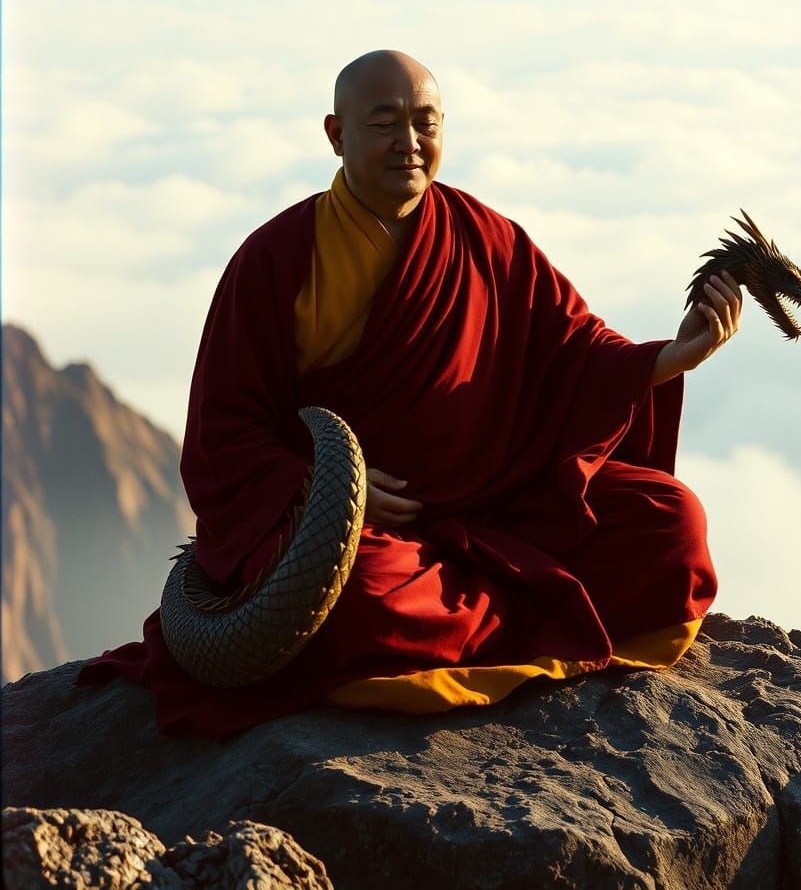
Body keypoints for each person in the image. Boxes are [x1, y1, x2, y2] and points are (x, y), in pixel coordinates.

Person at [79, 50, 743, 737]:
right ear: (337, 136)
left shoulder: (484, 236)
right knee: (359, 595)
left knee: (673, 523)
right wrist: (322, 487)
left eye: (425, 122)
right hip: (355, 528)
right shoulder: (275, 261)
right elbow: (222, 435)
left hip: (500, 503)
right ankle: (530, 604)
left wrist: (671, 355)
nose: (410, 143)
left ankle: (497, 608)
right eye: (385, 123)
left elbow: (575, 353)